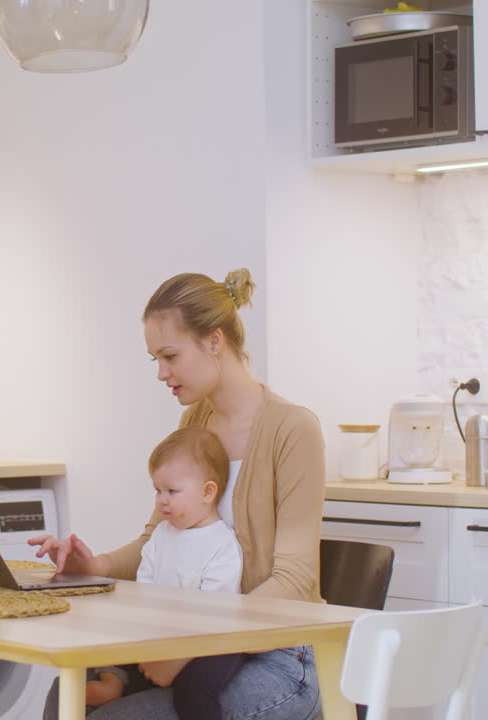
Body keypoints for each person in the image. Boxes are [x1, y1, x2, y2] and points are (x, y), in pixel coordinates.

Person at [33, 269, 327, 720]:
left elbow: (293, 579)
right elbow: (159, 536)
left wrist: (195, 648)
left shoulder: (293, 429)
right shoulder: (194, 424)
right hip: (191, 640)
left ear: (214, 341)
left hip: (279, 657)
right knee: (65, 697)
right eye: (155, 358)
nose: (161, 373)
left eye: (170, 355)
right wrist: (95, 567)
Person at [83, 426, 247, 719]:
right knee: (105, 639)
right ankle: (112, 682)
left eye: (172, 491)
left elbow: (216, 612)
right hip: (159, 630)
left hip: (207, 641)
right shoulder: (161, 535)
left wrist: (176, 652)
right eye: (158, 490)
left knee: (195, 688)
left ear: (207, 492)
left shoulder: (221, 544)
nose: (162, 500)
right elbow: (144, 586)